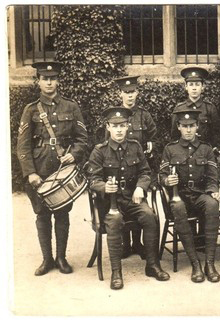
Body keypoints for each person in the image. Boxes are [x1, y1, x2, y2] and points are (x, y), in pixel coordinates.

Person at [17, 61, 88, 276]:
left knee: (63, 214)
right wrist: (30, 173)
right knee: (42, 216)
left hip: (61, 173)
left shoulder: (71, 107)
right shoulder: (30, 110)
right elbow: (22, 146)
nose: (49, 82)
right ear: (38, 81)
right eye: (45, 79)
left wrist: (73, 155)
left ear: (58, 81)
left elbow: (82, 139)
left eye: (52, 78)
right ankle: (46, 259)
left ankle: (61, 257)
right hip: (39, 172)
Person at [87, 107, 169, 290]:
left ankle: (152, 265)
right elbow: (93, 180)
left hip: (133, 199)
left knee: (149, 216)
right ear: (108, 127)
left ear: (127, 126)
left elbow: (146, 172)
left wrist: (141, 187)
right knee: (115, 220)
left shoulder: (135, 146)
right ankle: (116, 272)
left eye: (122, 126)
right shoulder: (99, 151)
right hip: (110, 204)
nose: (119, 130)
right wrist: (104, 187)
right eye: (115, 126)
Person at [159, 107, 220, 283]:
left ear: (197, 127)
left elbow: (212, 176)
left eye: (192, 126)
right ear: (178, 127)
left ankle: (209, 263)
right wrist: (166, 181)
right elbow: (161, 176)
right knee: (178, 207)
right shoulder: (170, 149)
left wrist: (213, 191)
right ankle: (195, 264)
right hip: (180, 196)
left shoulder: (206, 149)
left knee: (212, 204)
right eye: (184, 126)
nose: (188, 130)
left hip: (200, 194)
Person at [113, 75, 157, 259]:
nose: (129, 96)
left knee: (139, 202)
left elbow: (154, 136)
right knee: (121, 205)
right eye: (126, 92)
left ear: (137, 92)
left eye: (132, 92)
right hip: (118, 170)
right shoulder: (115, 116)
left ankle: (137, 243)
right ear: (120, 93)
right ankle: (125, 244)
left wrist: (152, 144)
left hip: (138, 169)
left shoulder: (144, 115)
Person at [171, 67, 220, 155]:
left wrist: (212, 151)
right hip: (184, 154)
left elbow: (217, 135)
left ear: (202, 87)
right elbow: (174, 136)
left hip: (205, 154)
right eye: (191, 84)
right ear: (186, 87)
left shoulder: (210, 108)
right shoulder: (179, 108)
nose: (194, 88)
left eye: (197, 84)